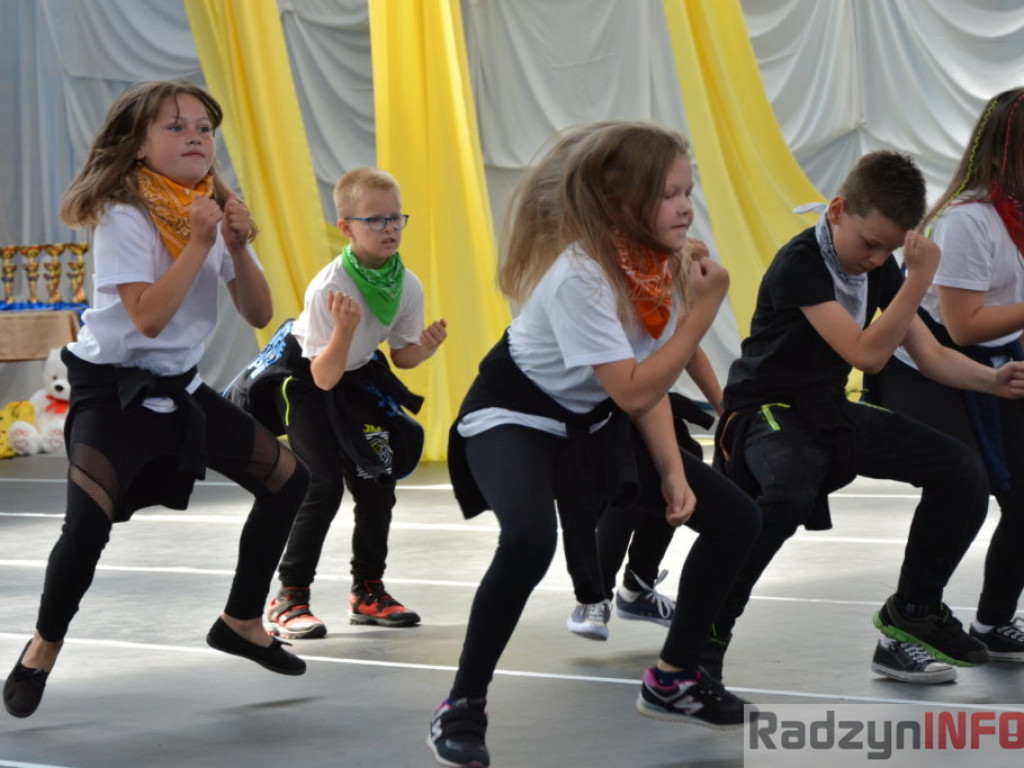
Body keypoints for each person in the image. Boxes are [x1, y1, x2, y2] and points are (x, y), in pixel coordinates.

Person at [426, 121, 762, 768]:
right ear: (620, 203)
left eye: (688, 191)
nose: (686, 207)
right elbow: (637, 388)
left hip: (595, 414)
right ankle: (462, 704)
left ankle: (675, 678)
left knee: (737, 519)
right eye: (668, 194)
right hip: (515, 413)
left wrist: (672, 470)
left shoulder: (656, 261)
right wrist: (703, 310)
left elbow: (646, 375)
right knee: (527, 542)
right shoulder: (582, 275)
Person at [2, 80, 311, 719]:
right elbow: (145, 319)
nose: (195, 136)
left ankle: (242, 619)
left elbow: (259, 312)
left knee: (288, 479)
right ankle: (42, 646)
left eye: (203, 126)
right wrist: (200, 242)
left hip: (180, 388)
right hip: (111, 390)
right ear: (139, 147)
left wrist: (237, 245)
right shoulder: (125, 214)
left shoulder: (203, 208)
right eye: (175, 127)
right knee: (87, 525)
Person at [707, 150, 1024, 687]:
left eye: (890, 250)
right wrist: (917, 281)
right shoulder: (802, 262)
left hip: (825, 409)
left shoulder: (877, 267)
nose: (877, 259)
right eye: (871, 244)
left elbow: (932, 354)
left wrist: (990, 381)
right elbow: (866, 355)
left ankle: (913, 610)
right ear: (836, 210)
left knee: (961, 471)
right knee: (787, 492)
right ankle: (707, 635)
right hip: (764, 409)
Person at [252, 167, 446, 638]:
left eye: (396, 218)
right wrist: (343, 330)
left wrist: (426, 347)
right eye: (375, 220)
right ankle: (289, 598)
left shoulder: (406, 284)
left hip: (356, 377)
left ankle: (368, 592)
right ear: (347, 228)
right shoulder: (329, 287)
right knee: (320, 487)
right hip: (308, 379)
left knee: (378, 482)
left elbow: (401, 357)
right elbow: (322, 376)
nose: (390, 229)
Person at [868, 87, 1024, 662]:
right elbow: (963, 327)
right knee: (963, 484)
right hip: (927, 369)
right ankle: (906, 621)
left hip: (994, 366)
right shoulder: (968, 221)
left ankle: (994, 621)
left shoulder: (1017, 219)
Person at [566, 349, 722, 641]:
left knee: (684, 459)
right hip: (596, 403)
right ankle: (592, 597)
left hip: (647, 398)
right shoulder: (605, 309)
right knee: (632, 479)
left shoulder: (675, 307)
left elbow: (690, 351)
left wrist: (727, 413)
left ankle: (638, 584)